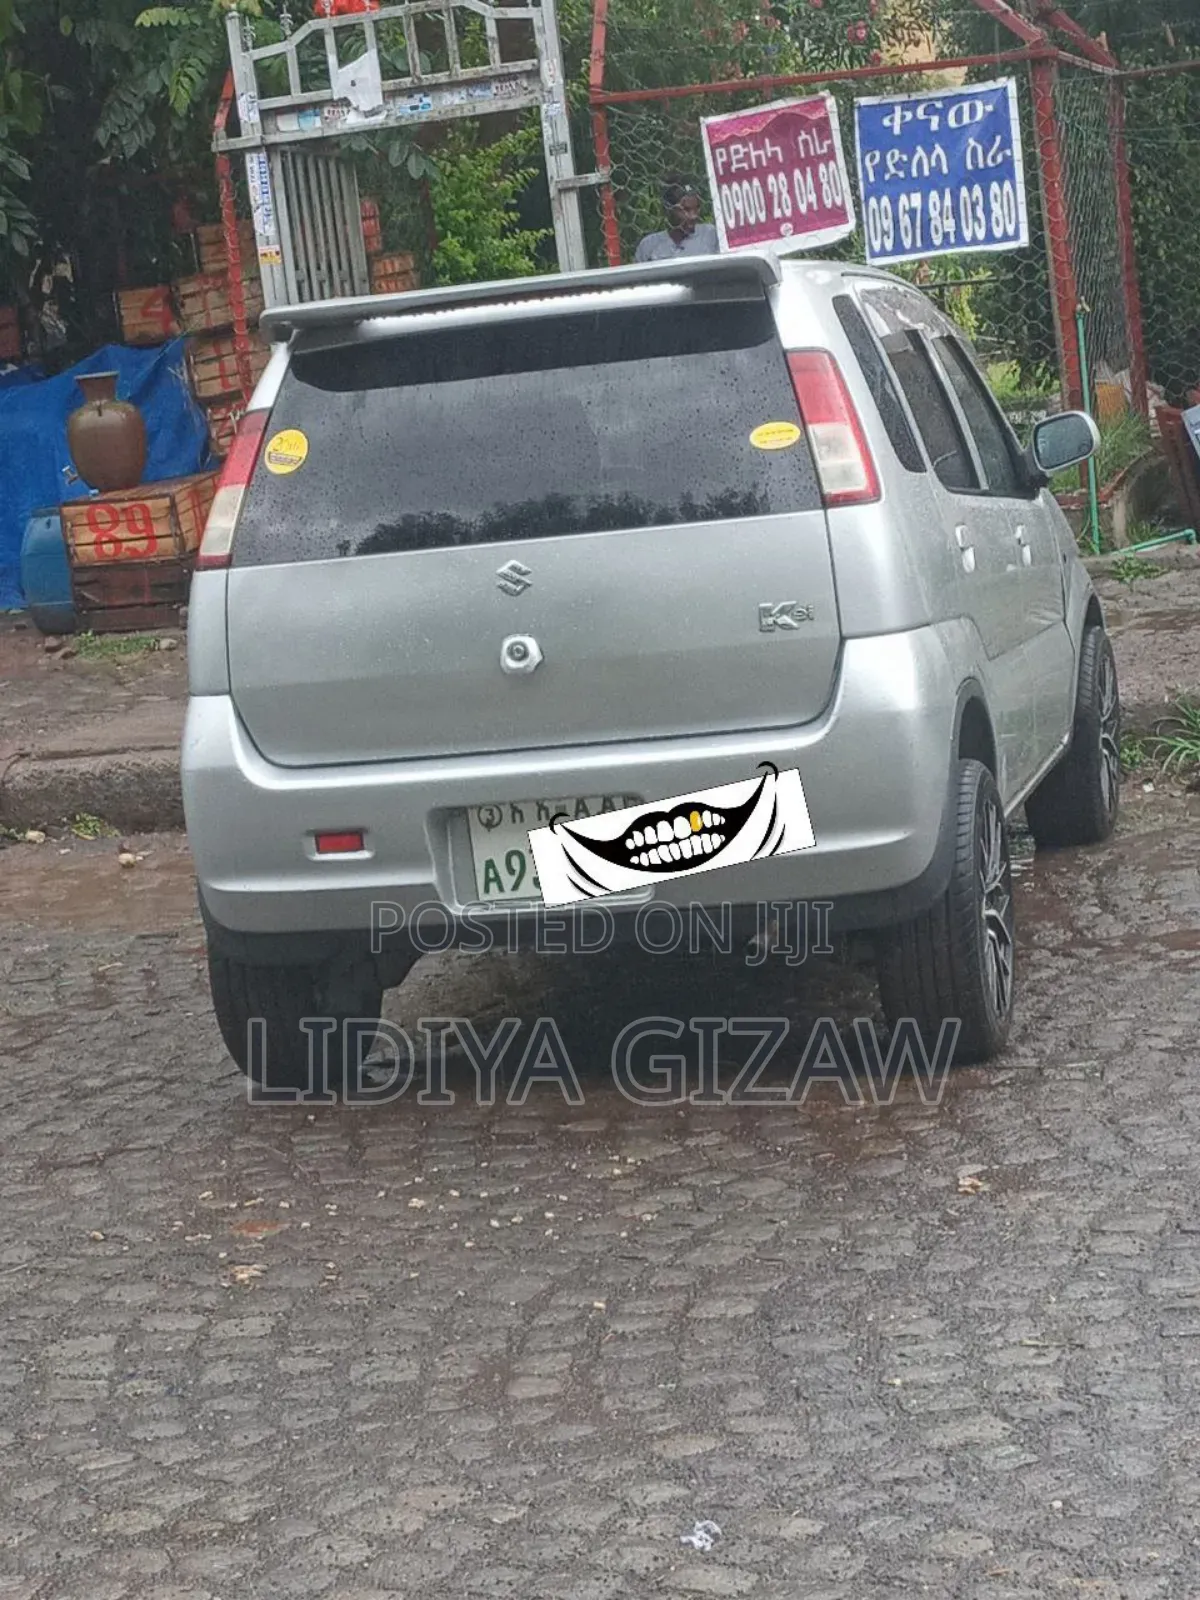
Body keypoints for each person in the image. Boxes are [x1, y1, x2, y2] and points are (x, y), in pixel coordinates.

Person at [634, 180, 720, 262]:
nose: (694, 216)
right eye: (686, 209)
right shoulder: (649, 245)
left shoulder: (710, 235)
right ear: (668, 210)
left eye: (697, 208)